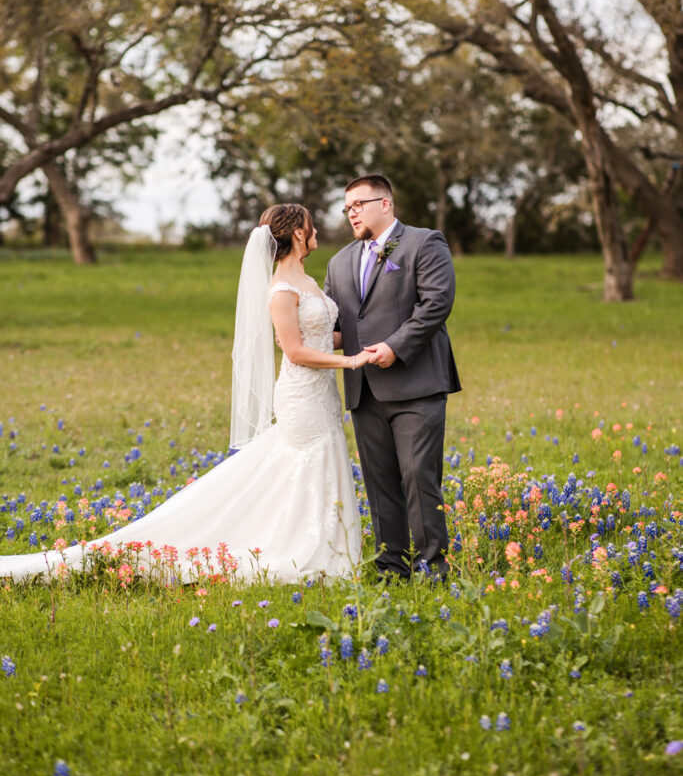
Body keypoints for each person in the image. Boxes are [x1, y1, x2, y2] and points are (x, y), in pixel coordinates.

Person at [0, 204, 367, 585]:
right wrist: (353, 362)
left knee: (313, 462)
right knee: (304, 463)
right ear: (297, 234)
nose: (317, 229)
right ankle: (302, 547)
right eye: (311, 224)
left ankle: (326, 543)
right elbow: (294, 351)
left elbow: (322, 337)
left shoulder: (307, 281)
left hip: (322, 394)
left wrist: (361, 344)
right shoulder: (281, 289)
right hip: (300, 396)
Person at [324, 174, 460, 581]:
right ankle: (390, 567)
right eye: (347, 208)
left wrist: (394, 346)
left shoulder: (424, 242)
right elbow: (339, 323)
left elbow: (437, 303)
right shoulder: (340, 261)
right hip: (364, 388)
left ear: (385, 203)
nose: (351, 214)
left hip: (416, 383)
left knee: (418, 476)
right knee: (380, 482)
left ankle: (433, 568)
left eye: (358, 205)